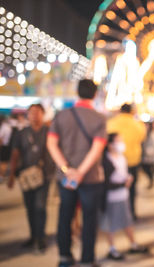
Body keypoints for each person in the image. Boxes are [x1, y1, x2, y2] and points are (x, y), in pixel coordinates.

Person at [47, 79, 107, 267]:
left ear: (77, 92)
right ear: (95, 94)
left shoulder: (62, 115)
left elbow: (51, 144)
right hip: (91, 178)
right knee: (89, 219)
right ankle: (87, 260)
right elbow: (97, 148)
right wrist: (80, 172)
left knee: (65, 216)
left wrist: (67, 170)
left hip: (66, 179)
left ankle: (65, 257)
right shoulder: (98, 118)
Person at [7, 104, 54, 252]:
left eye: (38, 112)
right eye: (32, 112)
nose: (34, 115)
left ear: (43, 114)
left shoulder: (49, 132)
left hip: (44, 175)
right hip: (26, 176)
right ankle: (33, 236)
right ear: (27, 115)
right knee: (30, 207)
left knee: (40, 207)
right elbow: (15, 154)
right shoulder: (21, 134)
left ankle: (41, 238)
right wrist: (11, 175)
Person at [100, 133, 149, 260]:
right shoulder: (106, 160)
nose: (121, 143)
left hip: (123, 195)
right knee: (110, 223)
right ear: (110, 144)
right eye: (118, 141)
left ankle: (133, 244)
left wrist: (127, 180)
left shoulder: (121, 157)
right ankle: (112, 249)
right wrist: (123, 183)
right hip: (111, 197)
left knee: (127, 221)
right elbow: (105, 183)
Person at [107, 103, 146, 220]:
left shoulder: (112, 122)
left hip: (115, 161)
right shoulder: (138, 124)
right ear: (131, 112)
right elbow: (142, 137)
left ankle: (116, 214)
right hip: (133, 160)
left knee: (115, 188)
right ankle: (131, 212)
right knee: (132, 188)